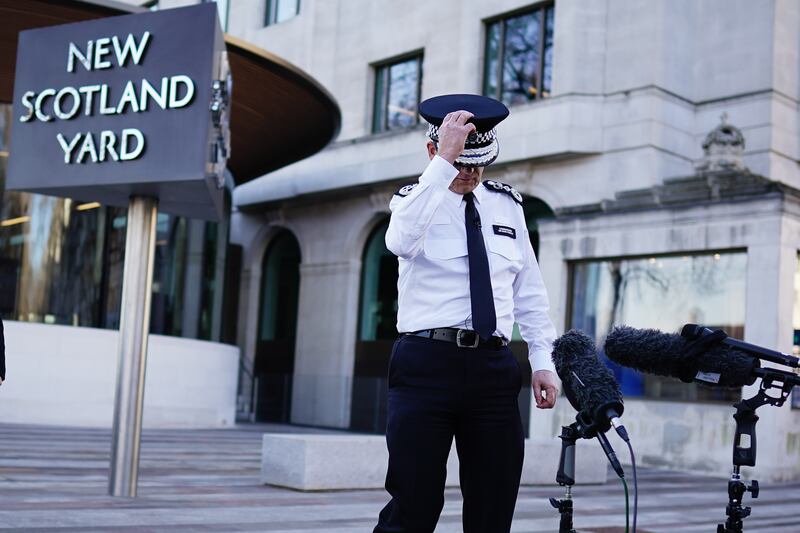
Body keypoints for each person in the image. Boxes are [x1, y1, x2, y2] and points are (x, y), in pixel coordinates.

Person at [374, 94, 560, 533]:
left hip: (493, 369)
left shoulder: (508, 206)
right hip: (426, 366)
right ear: (432, 151)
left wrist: (543, 362)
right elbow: (399, 242)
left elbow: (529, 292)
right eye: (463, 163)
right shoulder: (414, 200)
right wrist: (445, 163)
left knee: (493, 506)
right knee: (413, 506)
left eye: (479, 165)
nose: (470, 174)